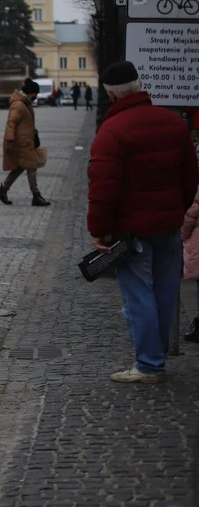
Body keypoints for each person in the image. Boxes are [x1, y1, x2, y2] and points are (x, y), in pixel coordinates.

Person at [88, 61, 199, 383]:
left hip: (131, 229)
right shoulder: (172, 123)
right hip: (168, 223)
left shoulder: (112, 131)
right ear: (139, 86)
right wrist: (177, 210)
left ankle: (149, 364)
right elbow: (190, 175)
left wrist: (98, 230)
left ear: (111, 95)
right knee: (165, 291)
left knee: (138, 295)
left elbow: (103, 188)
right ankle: (158, 355)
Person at [0, 78, 50, 207]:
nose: (36, 96)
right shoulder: (19, 105)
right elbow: (11, 124)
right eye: (36, 93)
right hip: (21, 144)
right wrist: (9, 141)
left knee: (19, 168)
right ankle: (36, 196)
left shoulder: (25, 103)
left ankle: (2, 191)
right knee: (32, 167)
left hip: (25, 142)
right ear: (31, 93)